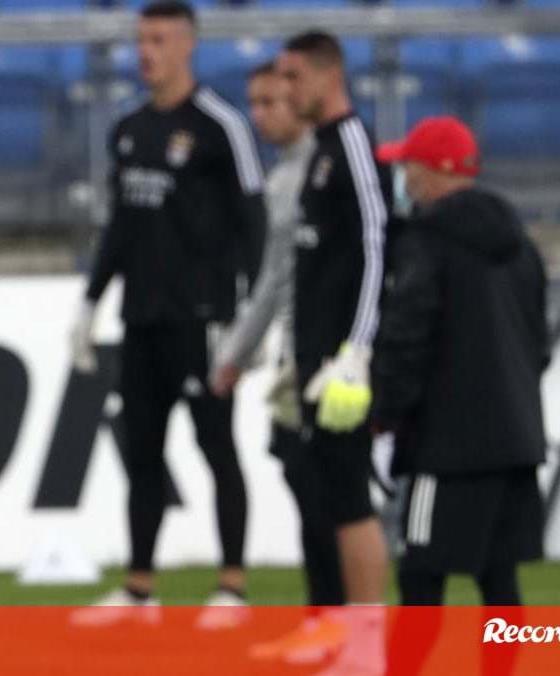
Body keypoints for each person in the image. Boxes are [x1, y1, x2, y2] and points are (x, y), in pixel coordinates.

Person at [69, 0, 266, 628]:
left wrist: (250, 320)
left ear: (186, 44)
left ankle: (232, 586)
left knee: (216, 446)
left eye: (156, 39)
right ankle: (139, 590)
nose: (144, 51)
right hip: (143, 319)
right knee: (143, 452)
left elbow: (254, 224)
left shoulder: (220, 125)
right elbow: (120, 227)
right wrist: (91, 302)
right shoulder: (127, 128)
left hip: (203, 320)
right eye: (140, 39)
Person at [373, 117, 547, 676]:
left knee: (422, 576)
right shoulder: (520, 245)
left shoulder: (426, 243)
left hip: (446, 446)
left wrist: (385, 415)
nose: (402, 176)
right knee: (500, 581)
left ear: (430, 172)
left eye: (408, 165)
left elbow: (407, 337)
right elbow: (538, 346)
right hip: (514, 439)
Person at [209, 62, 347, 660]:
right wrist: (244, 348)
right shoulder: (286, 175)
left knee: (328, 493)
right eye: (255, 104)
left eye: (270, 103)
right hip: (297, 352)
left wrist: (236, 350)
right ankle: (322, 616)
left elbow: (279, 279)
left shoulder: (321, 172)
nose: (261, 115)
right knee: (302, 480)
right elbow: (273, 279)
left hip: (327, 357)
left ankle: (338, 619)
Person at [276, 30, 391, 674]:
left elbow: (378, 249)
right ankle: (346, 635)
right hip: (316, 360)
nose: (287, 92)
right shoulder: (320, 149)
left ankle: (368, 645)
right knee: (327, 496)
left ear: (327, 76)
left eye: (294, 79)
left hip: (344, 366)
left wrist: (358, 351)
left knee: (351, 502)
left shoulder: (350, 143)